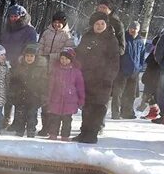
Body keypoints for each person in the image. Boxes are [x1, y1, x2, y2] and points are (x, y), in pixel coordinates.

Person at [73, 11, 120, 144]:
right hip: (86, 78)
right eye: (97, 24)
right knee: (87, 107)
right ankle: (84, 132)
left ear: (106, 24)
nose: (99, 26)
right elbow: (80, 55)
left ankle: (92, 134)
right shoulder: (87, 36)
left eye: (102, 23)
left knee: (98, 108)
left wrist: (108, 78)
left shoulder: (111, 40)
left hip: (102, 80)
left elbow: (114, 62)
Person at [37, 10, 76, 135]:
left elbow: (68, 53)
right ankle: (45, 127)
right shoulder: (46, 33)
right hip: (44, 69)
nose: (57, 25)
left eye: (60, 23)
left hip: (58, 71)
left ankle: (53, 127)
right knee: (44, 99)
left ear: (64, 23)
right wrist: (41, 59)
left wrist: (51, 57)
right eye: (55, 22)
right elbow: (40, 47)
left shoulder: (67, 36)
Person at [1, 4, 38, 128]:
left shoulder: (29, 30)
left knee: (18, 94)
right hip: (6, 64)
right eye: (11, 16)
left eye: (15, 16)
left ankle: (18, 121)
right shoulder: (6, 28)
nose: (13, 18)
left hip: (21, 66)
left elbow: (32, 47)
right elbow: (2, 42)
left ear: (22, 16)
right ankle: (6, 118)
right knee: (7, 93)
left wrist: (23, 57)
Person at [9, 43, 48, 137]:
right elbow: (14, 82)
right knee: (20, 116)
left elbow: (44, 84)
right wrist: (13, 93)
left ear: (36, 57)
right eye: (27, 56)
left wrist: (42, 95)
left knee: (32, 117)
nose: (29, 58)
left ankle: (31, 131)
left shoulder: (40, 69)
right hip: (20, 97)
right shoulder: (20, 67)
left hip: (34, 98)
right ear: (24, 56)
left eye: (31, 56)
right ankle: (19, 131)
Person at [47, 48, 85, 141]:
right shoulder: (55, 70)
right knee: (54, 119)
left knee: (67, 120)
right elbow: (50, 84)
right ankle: (53, 134)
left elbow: (80, 87)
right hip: (56, 99)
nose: (64, 61)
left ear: (71, 60)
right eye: (62, 58)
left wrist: (81, 99)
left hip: (70, 101)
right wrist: (48, 96)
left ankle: (65, 136)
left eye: (66, 59)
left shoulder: (76, 72)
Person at [111, 21, 146, 119]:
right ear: (128, 28)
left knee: (131, 94)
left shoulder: (140, 41)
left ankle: (127, 112)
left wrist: (139, 67)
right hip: (122, 70)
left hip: (134, 72)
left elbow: (142, 56)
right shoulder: (124, 38)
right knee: (118, 93)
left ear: (138, 30)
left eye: (135, 28)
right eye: (131, 28)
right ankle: (115, 113)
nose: (133, 30)